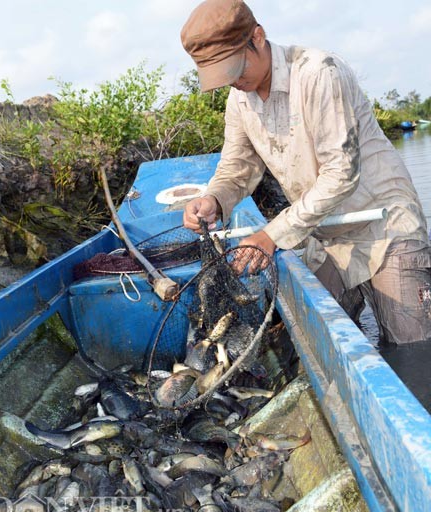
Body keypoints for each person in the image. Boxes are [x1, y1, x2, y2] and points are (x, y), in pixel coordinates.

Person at [180, 0, 431, 345]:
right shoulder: (239, 101)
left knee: (412, 349)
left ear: (258, 36)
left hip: (384, 228)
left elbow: (341, 173)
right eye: (225, 76)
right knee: (312, 342)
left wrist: (271, 235)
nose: (234, 81)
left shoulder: (318, 73)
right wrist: (213, 199)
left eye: (236, 68)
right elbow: (237, 168)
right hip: (325, 235)